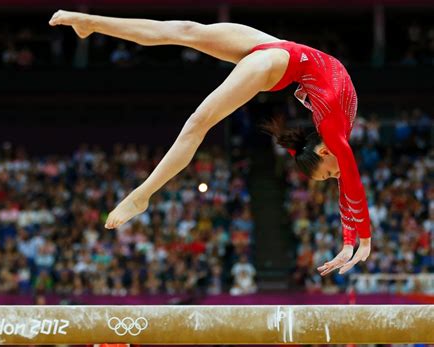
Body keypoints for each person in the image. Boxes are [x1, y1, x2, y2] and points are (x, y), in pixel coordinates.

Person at [49, 10, 371, 276]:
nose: (336, 177)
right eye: (329, 174)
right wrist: (363, 243)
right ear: (324, 151)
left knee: (187, 31)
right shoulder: (334, 132)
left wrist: (346, 243)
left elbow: (347, 187)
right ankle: (142, 196)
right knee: (196, 120)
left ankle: (90, 23)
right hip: (272, 64)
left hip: (284, 53)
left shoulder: (336, 135)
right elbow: (353, 186)